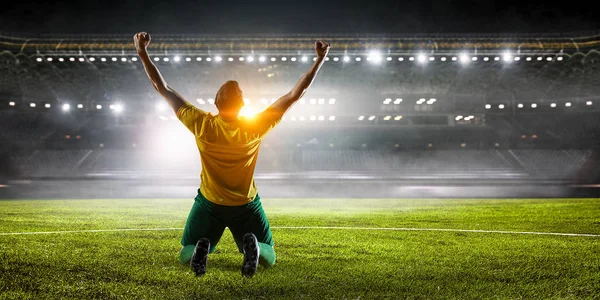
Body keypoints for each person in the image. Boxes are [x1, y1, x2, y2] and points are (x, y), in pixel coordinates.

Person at [134, 32, 330, 277]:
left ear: (215, 102)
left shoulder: (202, 124)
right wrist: (319, 60)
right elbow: (294, 96)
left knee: (186, 251)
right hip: (246, 204)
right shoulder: (254, 127)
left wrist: (142, 52)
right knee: (270, 254)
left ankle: (200, 248)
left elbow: (162, 88)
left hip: (209, 203)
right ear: (243, 104)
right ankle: (256, 246)